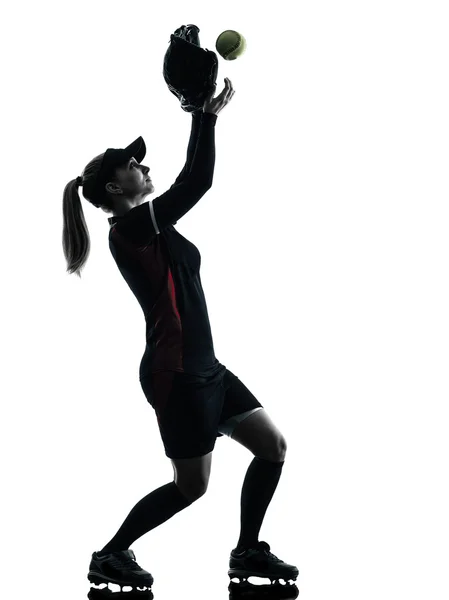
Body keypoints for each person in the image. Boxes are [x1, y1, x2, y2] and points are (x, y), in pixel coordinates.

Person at [62, 78, 297, 589]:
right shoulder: (129, 230)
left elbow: (185, 187)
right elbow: (197, 181)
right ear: (113, 189)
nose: (144, 167)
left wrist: (197, 111)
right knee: (192, 488)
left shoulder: (154, 225)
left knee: (273, 446)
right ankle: (111, 553)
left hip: (207, 367)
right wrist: (202, 114)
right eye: (132, 165)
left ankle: (248, 551)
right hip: (177, 374)